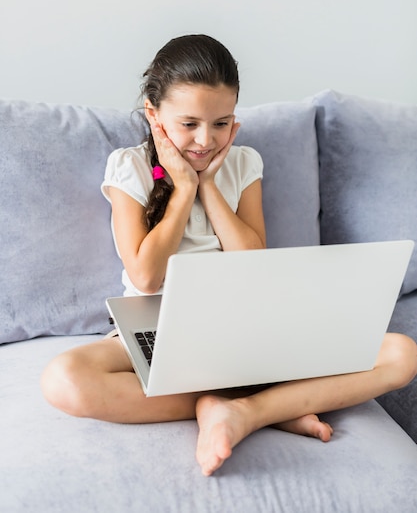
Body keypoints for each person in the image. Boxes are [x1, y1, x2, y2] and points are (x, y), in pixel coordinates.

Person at [41, 34, 417, 477]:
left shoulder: (242, 164)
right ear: (154, 114)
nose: (205, 140)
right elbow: (144, 276)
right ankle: (260, 403)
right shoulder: (130, 166)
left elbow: (251, 262)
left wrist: (210, 187)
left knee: (401, 354)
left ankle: (246, 411)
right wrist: (182, 190)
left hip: (242, 326)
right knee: (64, 379)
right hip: (157, 324)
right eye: (189, 124)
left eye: (221, 124)